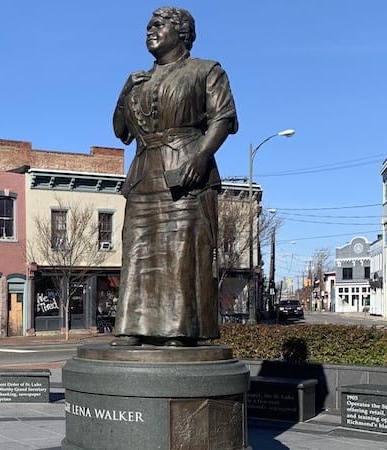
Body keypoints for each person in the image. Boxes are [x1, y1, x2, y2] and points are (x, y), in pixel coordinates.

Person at [111, 7, 238, 347]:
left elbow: (222, 118)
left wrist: (201, 156)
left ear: (181, 32)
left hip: (185, 172)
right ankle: (132, 327)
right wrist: (125, 92)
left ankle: (180, 331)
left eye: (158, 25)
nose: (150, 31)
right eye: (148, 26)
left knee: (182, 251)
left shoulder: (205, 70)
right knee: (136, 249)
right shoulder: (138, 80)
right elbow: (120, 131)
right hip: (143, 175)